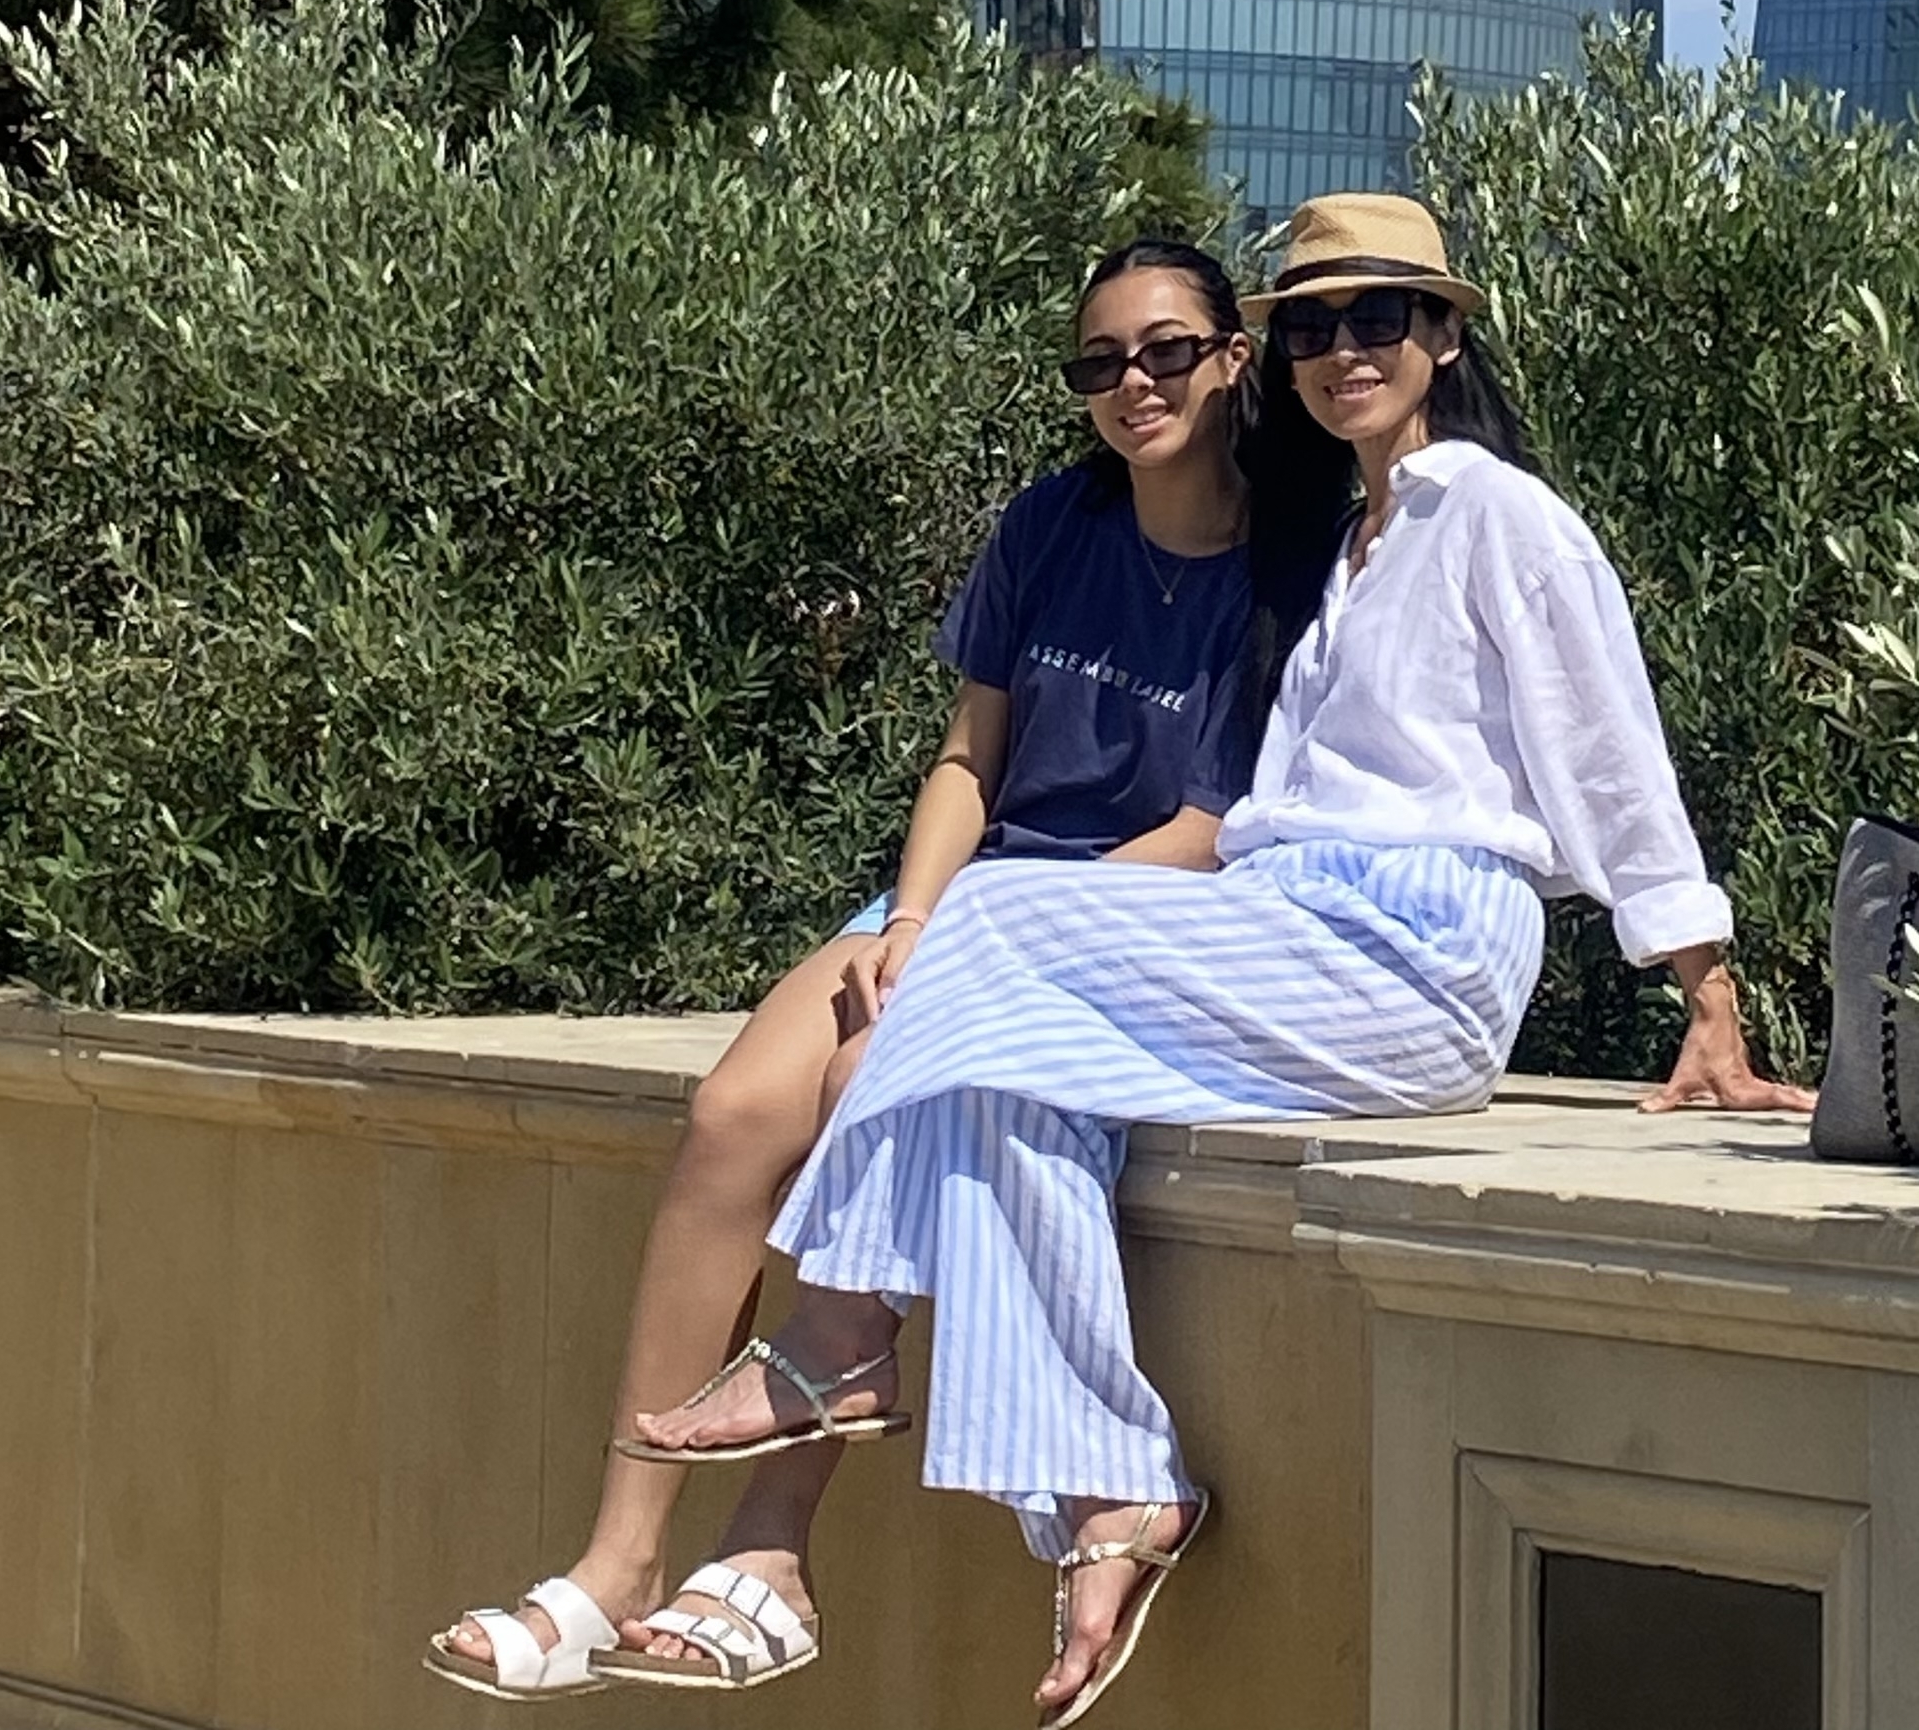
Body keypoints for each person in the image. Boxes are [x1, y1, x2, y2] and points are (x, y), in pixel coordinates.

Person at [636, 192, 1811, 1723]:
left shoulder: (1493, 510)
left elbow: (1610, 750)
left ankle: (842, 1332)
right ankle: (1109, 1500)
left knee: (988, 915)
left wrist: (1704, 996)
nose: (1344, 352)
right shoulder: (1349, 553)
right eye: (1312, 327)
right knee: (1007, 1087)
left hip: (1415, 946)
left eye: (1377, 319)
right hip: (1288, 930)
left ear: (1443, 334)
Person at [427, 236, 1290, 1698]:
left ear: (1230, 359)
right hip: (969, 900)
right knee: (733, 1116)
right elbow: (971, 755)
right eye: (1100, 363)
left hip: (1126, 921)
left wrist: (989, 936)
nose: (1132, 384)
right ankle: (618, 1561)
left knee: (858, 1078)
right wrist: (911, 923)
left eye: (1163, 352)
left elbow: (1214, 829)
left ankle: (771, 1546)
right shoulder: (1052, 528)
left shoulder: (1284, 572)